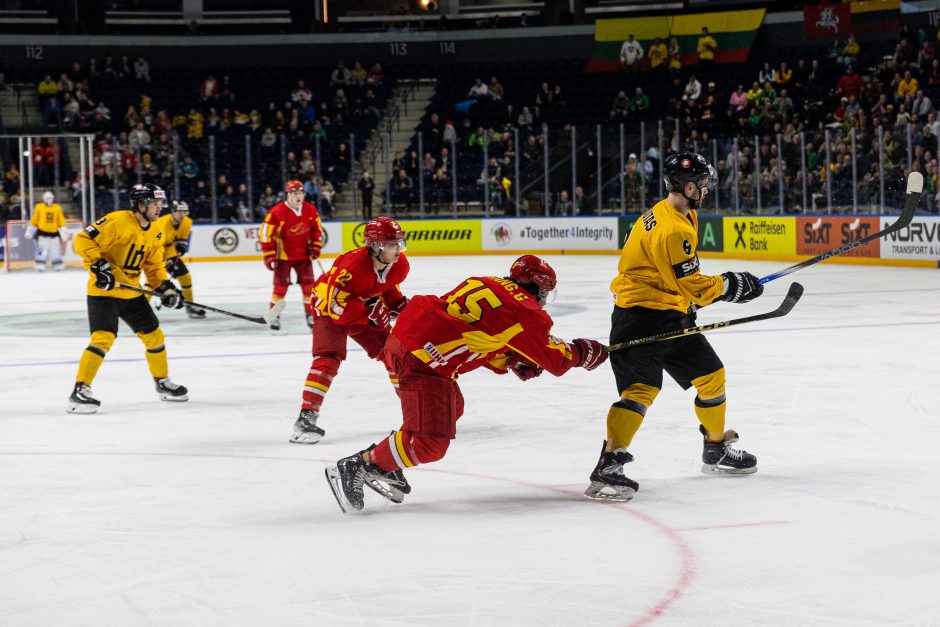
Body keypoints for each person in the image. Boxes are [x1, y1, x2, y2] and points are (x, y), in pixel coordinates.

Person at [324, 255, 608, 514]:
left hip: (409, 338)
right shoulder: (526, 311)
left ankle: (385, 462)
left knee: (451, 407)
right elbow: (557, 359)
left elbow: (475, 333)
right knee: (431, 443)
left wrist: (511, 361)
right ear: (535, 288)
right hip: (422, 359)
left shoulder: (485, 282)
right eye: (544, 293)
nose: (544, 300)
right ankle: (359, 465)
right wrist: (585, 353)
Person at [584, 152, 763, 503]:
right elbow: (692, 283)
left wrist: (693, 300)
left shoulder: (680, 212)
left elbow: (674, 280)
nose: (709, 188)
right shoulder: (673, 228)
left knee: (712, 375)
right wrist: (730, 286)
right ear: (690, 186)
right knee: (641, 388)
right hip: (637, 315)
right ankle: (608, 464)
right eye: (705, 183)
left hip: (669, 311)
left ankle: (716, 448)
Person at [68, 183, 188, 414]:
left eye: (160, 203)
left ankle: (162, 382)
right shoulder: (117, 221)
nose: (159, 208)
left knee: (154, 336)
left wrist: (166, 289)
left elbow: (154, 267)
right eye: (155, 203)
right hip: (103, 292)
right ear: (140, 205)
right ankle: (80, 390)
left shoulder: (155, 231)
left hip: (132, 292)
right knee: (103, 338)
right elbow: (82, 240)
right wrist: (99, 265)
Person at [290, 217, 410, 444]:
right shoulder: (352, 265)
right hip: (327, 304)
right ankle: (306, 416)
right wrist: (369, 314)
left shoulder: (400, 265)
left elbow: (387, 287)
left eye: (398, 243)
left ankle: (414, 410)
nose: (397, 249)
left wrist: (401, 307)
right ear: (375, 245)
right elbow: (336, 305)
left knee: (393, 353)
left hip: (358, 304)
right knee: (328, 357)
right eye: (391, 244)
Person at [259, 179, 323, 331]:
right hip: (283, 258)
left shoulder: (310, 210)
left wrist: (315, 246)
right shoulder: (276, 212)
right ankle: (274, 316)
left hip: (304, 256)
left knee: (309, 288)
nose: (298, 196)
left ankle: (310, 314)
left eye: (300, 192)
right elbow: (266, 234)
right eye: (294, 193)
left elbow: (317, 229)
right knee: (280, 289)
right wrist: (269, 255)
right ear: (287, 195)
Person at [152, 200, 205, 319]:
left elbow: (181, 239)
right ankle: (140, 311)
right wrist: (167, 262)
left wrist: (181, 246)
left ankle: (190, 306)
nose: (182, 215)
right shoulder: (161, 224)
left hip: (170, 251)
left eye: (184, 212)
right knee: (153, 283)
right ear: (173, 212)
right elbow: (155, 247)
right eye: (180, 212)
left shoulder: (187, 222)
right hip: (154, 254)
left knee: (186, 277)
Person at [25, 191, 68, 271]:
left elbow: (61, 220)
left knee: (55, 250)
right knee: (42, 249)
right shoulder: (39, 207)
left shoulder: (57, 207)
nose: (49, 199)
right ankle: (40, 265)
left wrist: (63, 229)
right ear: (44, 199)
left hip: (54, 233)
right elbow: (35, 219)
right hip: (42, 233)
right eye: (47, 198)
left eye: (50, 198)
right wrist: (30, 229)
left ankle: (57, 265)